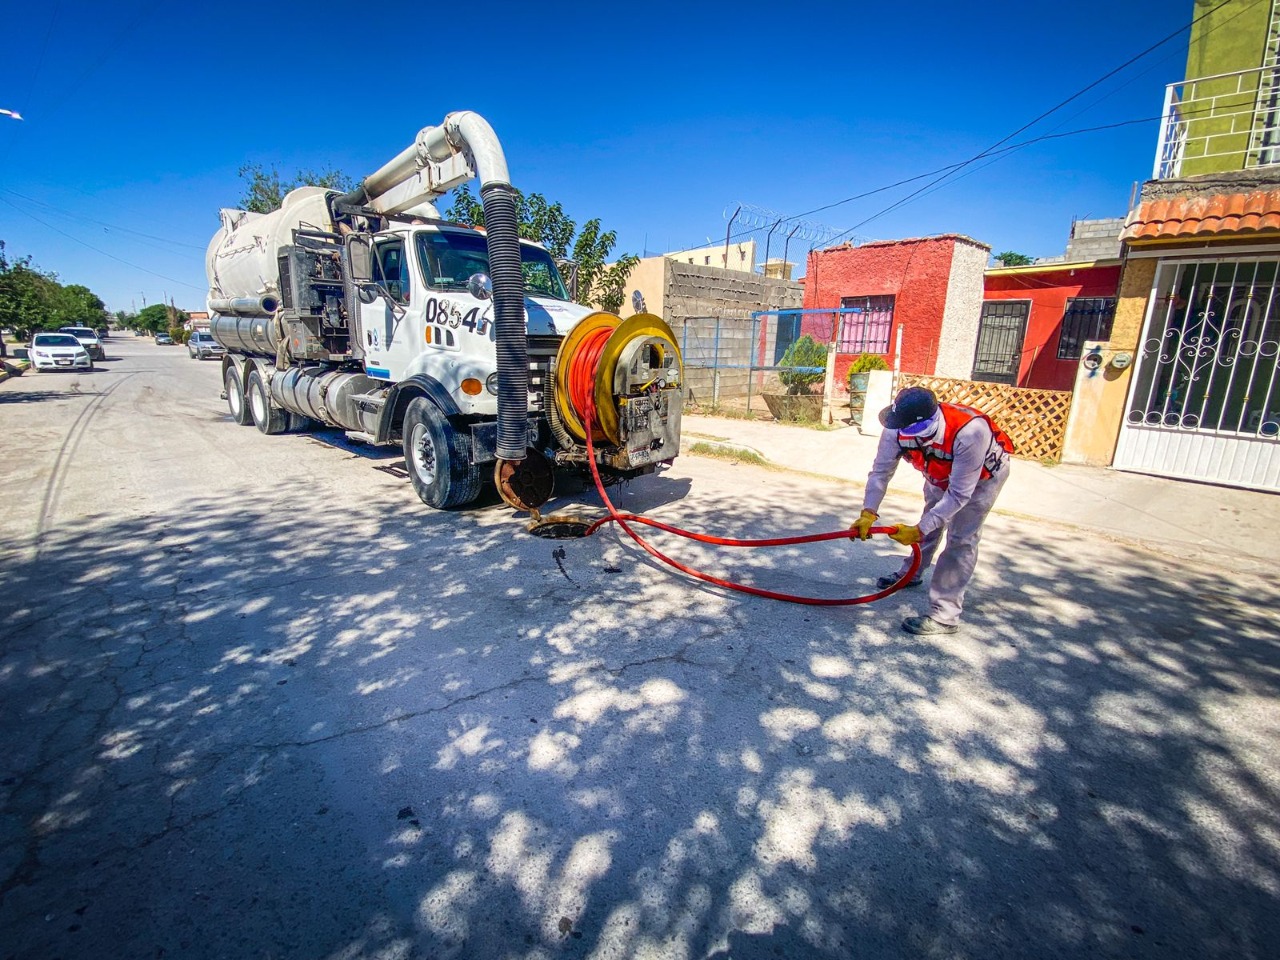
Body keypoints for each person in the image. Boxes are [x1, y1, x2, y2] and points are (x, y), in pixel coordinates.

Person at [850, 387, 1013, 636]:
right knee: (931, 519)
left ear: (931, 420)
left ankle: (945, 616)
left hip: (981, 479)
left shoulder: (969, 432)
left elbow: (960, 494)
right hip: (938, 473)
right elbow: (880, 472)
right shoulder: (896, 426)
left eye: (913, 430)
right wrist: (868, 512)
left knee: (961, 539)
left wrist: (919, 529)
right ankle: (911, 574)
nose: (905, 433)